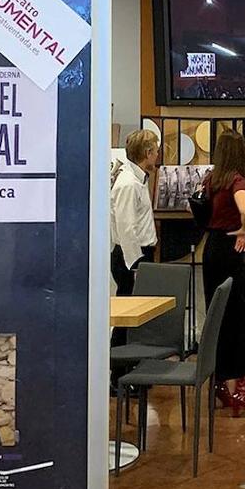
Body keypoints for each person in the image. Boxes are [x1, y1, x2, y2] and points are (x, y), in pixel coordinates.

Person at [202, 130, 245, 417]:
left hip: (211, 251)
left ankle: (218, 383)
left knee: (217, 318)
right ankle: (243, 388)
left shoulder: (211, 180)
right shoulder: (237, 181)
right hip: (231, 251)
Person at [109, 130, 159, 350]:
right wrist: (136, 264)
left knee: (137, 316)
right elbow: (127, 228)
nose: (158, 156)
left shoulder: (138, 179)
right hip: (131, 257)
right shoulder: (128, 184)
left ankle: (131, 370)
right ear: (147, 153)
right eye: (156, 151)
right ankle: (119, 371)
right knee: (128, 317)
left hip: (138, 255)